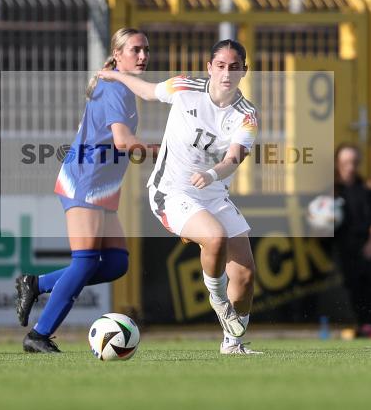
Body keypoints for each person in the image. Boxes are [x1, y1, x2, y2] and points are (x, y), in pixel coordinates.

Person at [98, 39, 261, 355]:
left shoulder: (247, 114)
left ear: (244, 70)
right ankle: (217, 297)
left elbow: (233, 159)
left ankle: (232, 343)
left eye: (234, 67)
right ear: (209, 67)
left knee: (245, 274)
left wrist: (212, 174)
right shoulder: (185, 87)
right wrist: (116, 75)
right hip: (170, 192)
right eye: (221, 66)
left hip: (213, 191)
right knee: (214, 237)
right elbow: (146, 91)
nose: (227, 73)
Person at [15, 28, 151, 353]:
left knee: (116, 263)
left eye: (146, 49)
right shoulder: (116, 87)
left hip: (102, 185)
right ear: (117, 55)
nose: (143, 56)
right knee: (86, 260)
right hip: (85, 182)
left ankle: (36, 283)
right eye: (136, 50)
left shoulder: (120, 85)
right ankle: (39, 335)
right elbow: (123, 142)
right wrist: (165, 151)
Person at [329, 144, 371, 338]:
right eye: (345, 163)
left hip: (366, 245)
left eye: (353, 163)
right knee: (352, 288)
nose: (349, 167)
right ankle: (357, 326)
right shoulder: (332, 190)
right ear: (338, 164)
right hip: (345, 248)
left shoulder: (366, 188)